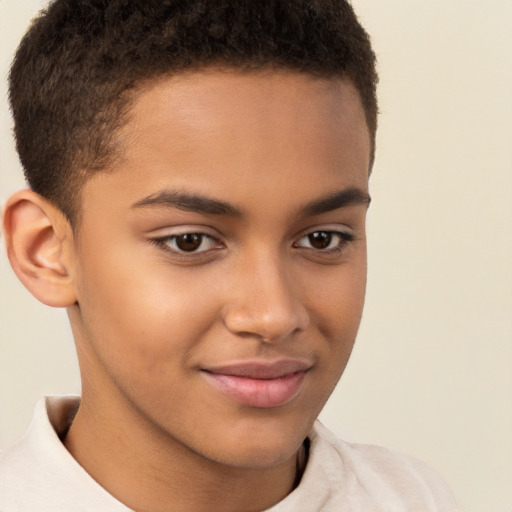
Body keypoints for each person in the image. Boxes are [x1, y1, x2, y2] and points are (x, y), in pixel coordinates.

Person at [0, 1, 459, 510]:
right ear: (46, 251)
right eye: (189, 241)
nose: (274, 316)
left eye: (322, 238)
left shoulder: (414, 497)